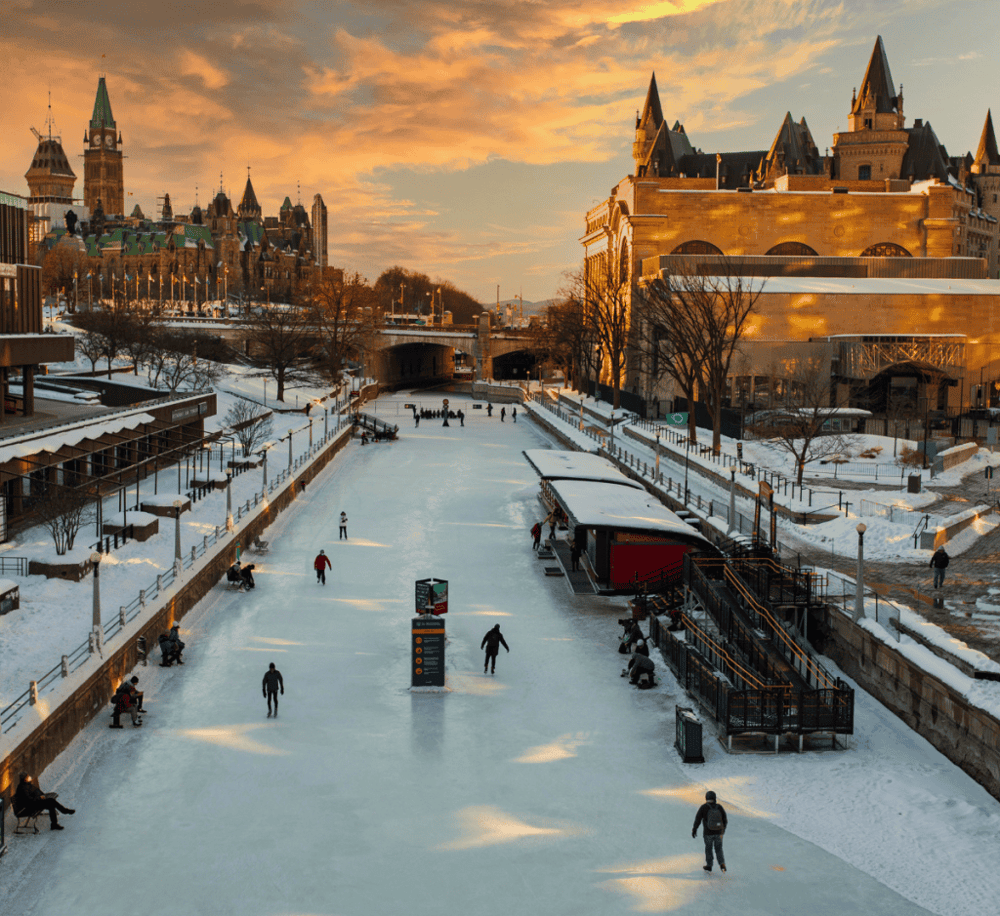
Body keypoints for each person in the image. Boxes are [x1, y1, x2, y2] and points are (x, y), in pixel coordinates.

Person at [692, 790, 728, 873]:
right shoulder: (719, 807)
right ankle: (722, 864)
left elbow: (698, 819)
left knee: (708, 849)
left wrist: (694, 829)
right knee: (719, 849)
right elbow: (724, 819)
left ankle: (709, 865)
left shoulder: (704, 807)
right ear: (714, 798)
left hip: (708, 833)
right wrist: (722, 830)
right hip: (719, 832)